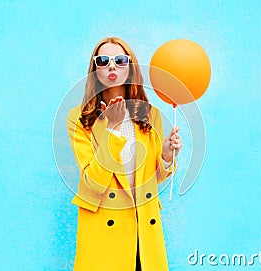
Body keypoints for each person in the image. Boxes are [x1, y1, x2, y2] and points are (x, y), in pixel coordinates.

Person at [66, 37, 182, 271]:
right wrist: (112, 129)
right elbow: (93, 182)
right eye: (103, 60)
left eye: (120, 60)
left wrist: (167, 156)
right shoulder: (79, 118)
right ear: (94, 68)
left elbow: (151, 180)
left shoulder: (151, 115)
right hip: (104, 233)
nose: (111, 65)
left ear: (130, 68)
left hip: (144, 232)